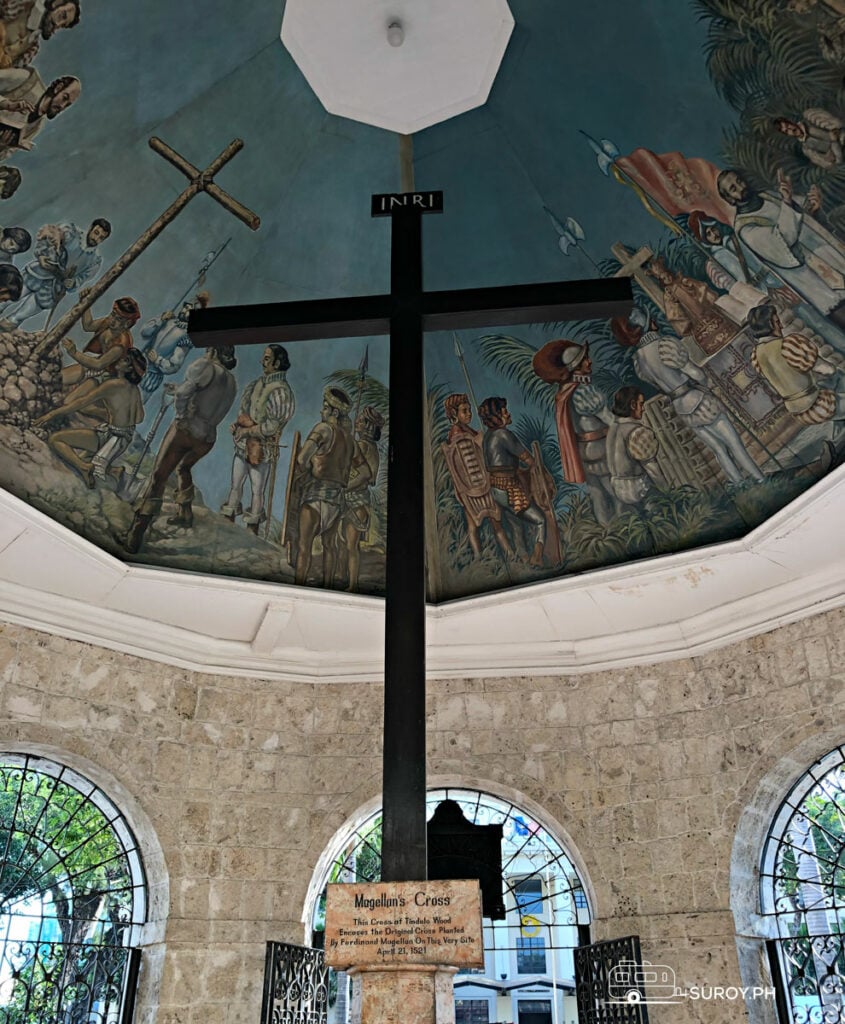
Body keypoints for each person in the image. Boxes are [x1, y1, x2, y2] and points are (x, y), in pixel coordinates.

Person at [611, 307, 764, 484]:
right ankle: (760, 478)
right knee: (734, 442)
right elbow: (697, 375)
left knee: (718, 449)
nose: (654, 320)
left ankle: (739, 483)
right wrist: (702, 380)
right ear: (646, 325)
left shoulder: (639, 361)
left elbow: (660, 386)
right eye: (649, 319)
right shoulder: (664, 345)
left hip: (681, 408)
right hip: (697, 399)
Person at [118, 346, 238, 554]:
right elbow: (205, 398)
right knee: (183, 468)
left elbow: (184, 394)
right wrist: (180, 392)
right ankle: (185, 513)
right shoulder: (231, 381)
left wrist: (181, 414)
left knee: (159, 476)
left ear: (214, 350)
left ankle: (135, 535)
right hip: (207, 437)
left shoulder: (204, 366)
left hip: (187, 429)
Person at [717, 168, 845, 330]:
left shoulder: (767, 195)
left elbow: (801, 211)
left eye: (739, 181)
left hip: (833, 258)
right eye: (733, 189)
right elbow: (784, 241)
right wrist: (787, 202)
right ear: (730, 199)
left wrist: (813, 205)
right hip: (820, 284)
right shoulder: (745, 227)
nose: (741, 187)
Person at [532, 338, 620, 525]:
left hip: (584, 452)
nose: (589, 361)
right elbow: (610, 420)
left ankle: (609, 530)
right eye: (584, 359)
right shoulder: (582, 391)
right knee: (614, 490)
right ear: (575, 367)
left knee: (597, 494)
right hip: (600, 449)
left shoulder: (565, 392)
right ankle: (627, 526)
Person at [33, 348, 147, 489]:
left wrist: (52, 414)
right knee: (86, 453)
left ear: (129, 367)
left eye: (124, 360)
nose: (118, 360)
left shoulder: (113, 385)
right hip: (125, 439)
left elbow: (80, 402)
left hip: (111, 439)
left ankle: (84, 468)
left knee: (55, 439)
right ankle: (114, 471)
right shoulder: (135, 390)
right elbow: (140, 418)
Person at [222, 343, 295, 535]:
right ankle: (226, 525)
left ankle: (251, 531)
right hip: (243, 445)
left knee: (256, 490)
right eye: (264, 358)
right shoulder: (256, 384)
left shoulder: (281, 391)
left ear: (277, 363)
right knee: (235, 485)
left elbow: (272, 426)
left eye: (267, 358)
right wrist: (238, 426)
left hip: (262, 449)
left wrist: (248, 431)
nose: (262, 362)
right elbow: (243, 412)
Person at [747, 303, 845, 432]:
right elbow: (828, 369)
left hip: (799, 413)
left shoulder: (756, 356)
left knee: (828, 383)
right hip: (821, 405)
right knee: (838, 375)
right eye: (777, 322)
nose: (781, 326)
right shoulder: (788, 344)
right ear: (769, 324)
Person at [440, 392, 514, 560]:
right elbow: (462, 459)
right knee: (473, 526)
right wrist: (478, 441)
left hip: (483, 485)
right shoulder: (457, 434)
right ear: (454, 414)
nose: (469, 414)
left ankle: (510, 554)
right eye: (464, 411)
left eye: (469, 410)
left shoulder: (469, 431)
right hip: (471, 488)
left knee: (496, 523)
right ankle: (479, 558)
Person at [478, 396, 548, 569]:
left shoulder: (488, 436)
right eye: (504, 412)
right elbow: (528, 460)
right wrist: (536, 465)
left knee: (516, 525)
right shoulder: (503, 434)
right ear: (496, 417)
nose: (508, 414)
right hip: (509, 489)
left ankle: (523, 560)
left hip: (496, 490)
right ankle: (537, 558)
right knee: (540, 520)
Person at [294, 386, 354, 586]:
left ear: (334, 412)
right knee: (330, 545)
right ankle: (328, 587)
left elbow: (302, 459)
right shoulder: (349, 439)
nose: (321, 411)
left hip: (315, 495)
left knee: (304, 547)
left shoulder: (322, 429)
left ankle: (298, 586)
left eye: (325, 407)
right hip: (336, 501)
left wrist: (307, 465)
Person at [3, 218, 109, 328]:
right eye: (96, 233)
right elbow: (48, 239)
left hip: (55, 288)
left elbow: (83, 277)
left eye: (101, 237)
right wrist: (41, 255)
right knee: (12, 292)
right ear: (91, 228)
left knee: (23, 313)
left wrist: (72, 282)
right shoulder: (71, 233)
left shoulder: (95, 260)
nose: (96, 238)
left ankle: (8, 324)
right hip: (40, 271)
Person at [646, 256, 738, 356]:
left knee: (725, 330)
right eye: (664, 278)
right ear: (662, 281)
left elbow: (701, 288)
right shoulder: (668, 294)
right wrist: (676, 305)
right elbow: (673, 313)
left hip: (707, 312)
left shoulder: (683, 281)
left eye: (667, 275)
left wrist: (694, 290)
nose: (668, 278)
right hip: (694, 321)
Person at [336, 404, 385, 592]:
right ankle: (340, 576)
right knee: (341, 540)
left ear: (370, 427)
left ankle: (353, 584)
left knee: (351, 544)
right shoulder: (359, 445)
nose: (358, 422)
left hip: (357, 499)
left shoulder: (367, 447)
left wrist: (346, 485)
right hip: (347, 497)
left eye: (362, 421)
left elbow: (368, 477)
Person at [59, 295, 140, 402]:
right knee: (57, 378)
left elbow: (99, 364)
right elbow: (88, 326)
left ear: (127, 323)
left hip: (105, 376)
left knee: (68, 401)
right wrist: (86, 303)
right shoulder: (108, 323)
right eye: (113, 315)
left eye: (119, 319)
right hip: (90, 365)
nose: (113, 320)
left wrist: (74, 353)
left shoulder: (121, 343)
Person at [138, 292, 210, 399]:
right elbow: (144, 332)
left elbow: (174, 365)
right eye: (186, 307)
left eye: (190, 311)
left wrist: (157, 360)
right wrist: (161, 319)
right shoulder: (169, 320)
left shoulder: (187, 337)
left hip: (150, 376)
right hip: (138, 364)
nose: (185, 311)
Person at [607, 387, 668, 508]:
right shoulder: (637, 432)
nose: (643, 408)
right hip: (637, 488)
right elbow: (652, 469)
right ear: (633, 405)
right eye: (641, 404)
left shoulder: (613, 429)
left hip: (617, 487)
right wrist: (667, 491)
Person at [0, 69, 80, 160]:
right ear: (58, 88)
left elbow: (4, 155)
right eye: (64, 98)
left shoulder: (37, 126)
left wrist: (2, 145)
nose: (62, 106)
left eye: (67, 105)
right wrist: (7, 104)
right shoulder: (26, 80)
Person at [0, 0, 81, 68]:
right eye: (62, 16)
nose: (58, 25)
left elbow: (11, 73)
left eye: (63, 25)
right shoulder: (23, 5)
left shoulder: (33, 48)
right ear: (56, 3)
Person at [774, 111, 845, 170]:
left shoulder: (810, 120)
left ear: (790, 122)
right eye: (786, 131)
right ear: (787, 135)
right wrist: (834, 142)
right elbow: (831, 164)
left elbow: (837, 125)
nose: (791, 130)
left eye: (788, 125)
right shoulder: (806, 149)